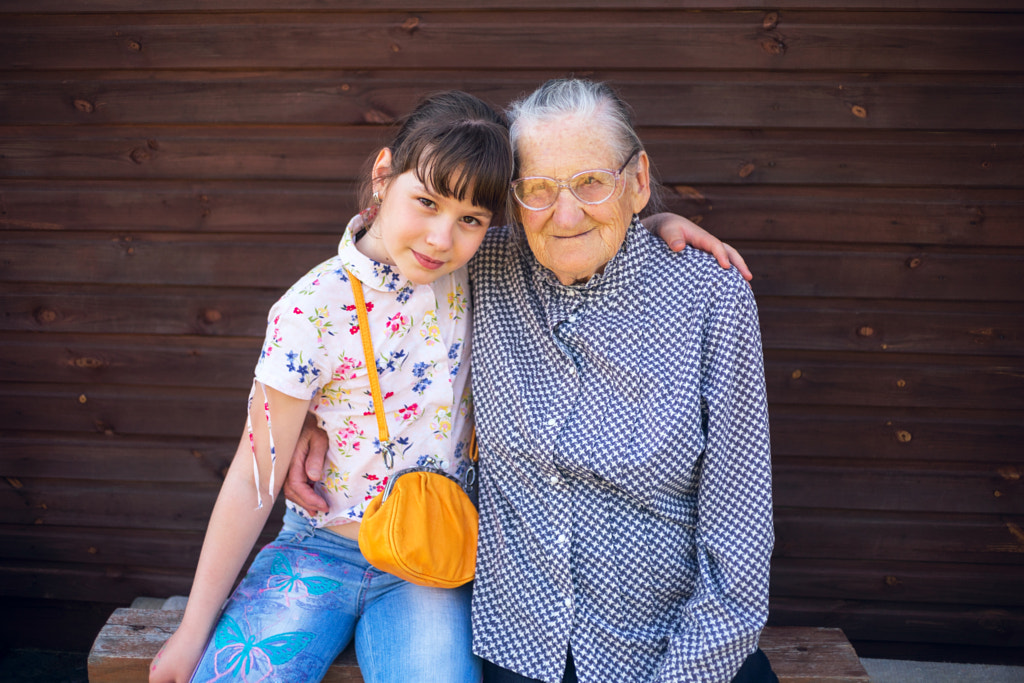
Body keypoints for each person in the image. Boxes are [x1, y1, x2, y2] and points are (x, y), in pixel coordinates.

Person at [286, 79, 774, 683]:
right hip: (520, 645)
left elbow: (741, 532)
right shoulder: (477, 264)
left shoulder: (708, 294)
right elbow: (378, 268)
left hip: (670, 648)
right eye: (538, 190)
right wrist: (312, 417)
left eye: (593, 182)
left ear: (639, 181)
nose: (564, 215)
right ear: (513, 201)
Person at [149, 90, 515, 683]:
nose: (441, 238)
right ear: (382, 175)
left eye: (470, 219)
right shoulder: (311, 309)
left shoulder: (484, 271)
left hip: (425, 561)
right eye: (426, 202)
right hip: (316, 550)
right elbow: (253, 475)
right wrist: (193, 630)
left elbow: (570, 229)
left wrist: (655, 223)